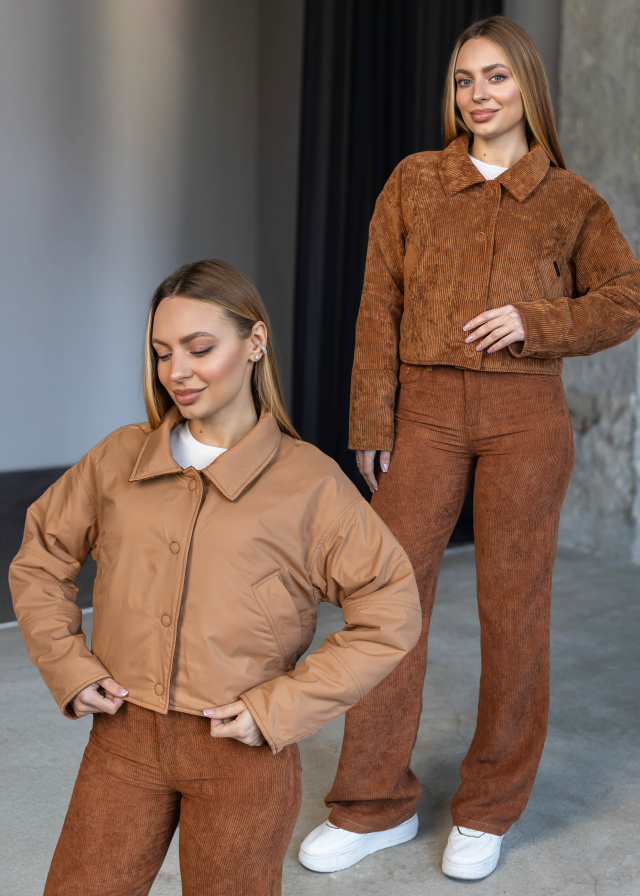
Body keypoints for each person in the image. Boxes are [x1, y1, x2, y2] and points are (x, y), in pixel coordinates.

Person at [298, 14, 640, 881]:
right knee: (386, 602)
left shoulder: (570, 199)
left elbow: (626, 297)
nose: (477, 95)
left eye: (495, 76)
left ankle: (489, 809)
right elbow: (377, 304)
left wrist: (536, 321)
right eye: (463, 80)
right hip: (425, 413)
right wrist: (371, 422)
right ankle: (372, 806)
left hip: (528, 417)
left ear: (528, 86)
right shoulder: (414, 181)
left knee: (513, 614)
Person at [9, 258, 422, 896]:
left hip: (242, 758)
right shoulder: (118, 458)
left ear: (255, 342)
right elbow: (41, 556)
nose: (176, 371)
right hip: (122, 741)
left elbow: (390, 607)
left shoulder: (310, 483)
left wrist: (280, 708)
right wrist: (68, 665)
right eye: (162, 352)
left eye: (199, 349)